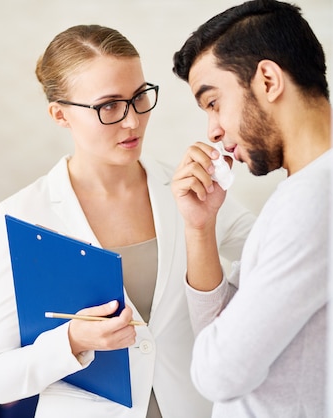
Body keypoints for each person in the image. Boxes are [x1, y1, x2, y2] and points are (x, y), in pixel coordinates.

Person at [0, 24, 255, 418]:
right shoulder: (26, 213)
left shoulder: (193, 189)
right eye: (109, 105)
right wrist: (72, 340)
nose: (132, 121)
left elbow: (278, 253)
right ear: (60, 115)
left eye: (139, 97)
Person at [171, 1, 331, 417]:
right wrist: (199, 228)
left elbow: (218, 375)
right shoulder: (301, 193)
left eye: (213, 102)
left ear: (267, 79)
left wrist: (216, 353)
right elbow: (221, 333)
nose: (214, 131)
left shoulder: (314, 200)